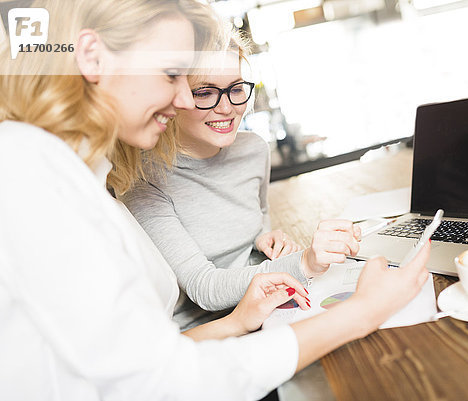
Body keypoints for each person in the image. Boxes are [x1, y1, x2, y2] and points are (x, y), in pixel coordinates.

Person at [0, 1, 431, 400]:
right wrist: (360, 314)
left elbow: (144, 357)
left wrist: (239, 319)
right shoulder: (27, 169)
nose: (186, 97)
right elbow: (165, 381)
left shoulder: (76, 175)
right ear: (92, 58)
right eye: (172, 74)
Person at [119, 30, 353, 329]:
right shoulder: (144, 179)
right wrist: (304, 262)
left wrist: (262, 240)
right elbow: (205, 288)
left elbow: (259, 217)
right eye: (204, 92)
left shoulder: (253, 149)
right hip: (210, 330)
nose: (227, 107)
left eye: (236, 88)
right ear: (174, 97)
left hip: (271, 305)